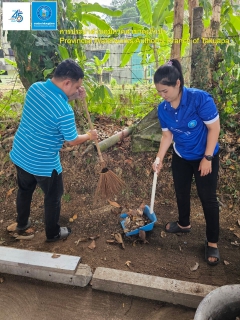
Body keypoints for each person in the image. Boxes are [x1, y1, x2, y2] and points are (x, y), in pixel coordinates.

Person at [9, 59, 97, 242]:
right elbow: (72, 140)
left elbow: (53, 101)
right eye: (76, 87)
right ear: (66, 83)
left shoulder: (35, 88)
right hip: (45, 164)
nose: (76, 90)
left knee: (24, 190)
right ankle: (53, 233)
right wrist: (89, 135)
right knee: (53, 197)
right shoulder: (64, 111)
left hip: (21, 154)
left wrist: (73, 96)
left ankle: (22, 223)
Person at [152, 59, 220, 266]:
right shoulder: (163, 109)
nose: (162, 95)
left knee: (207, 199)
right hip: (182, 156)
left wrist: (208, 157)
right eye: (159, 91)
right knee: (181, 191)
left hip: (204, 156)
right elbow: (167, 136)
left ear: (178, 83)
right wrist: (159, 158)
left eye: (165, 91)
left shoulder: (200, 99)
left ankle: (213, 242)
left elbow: (214, 129)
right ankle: (184, 224)